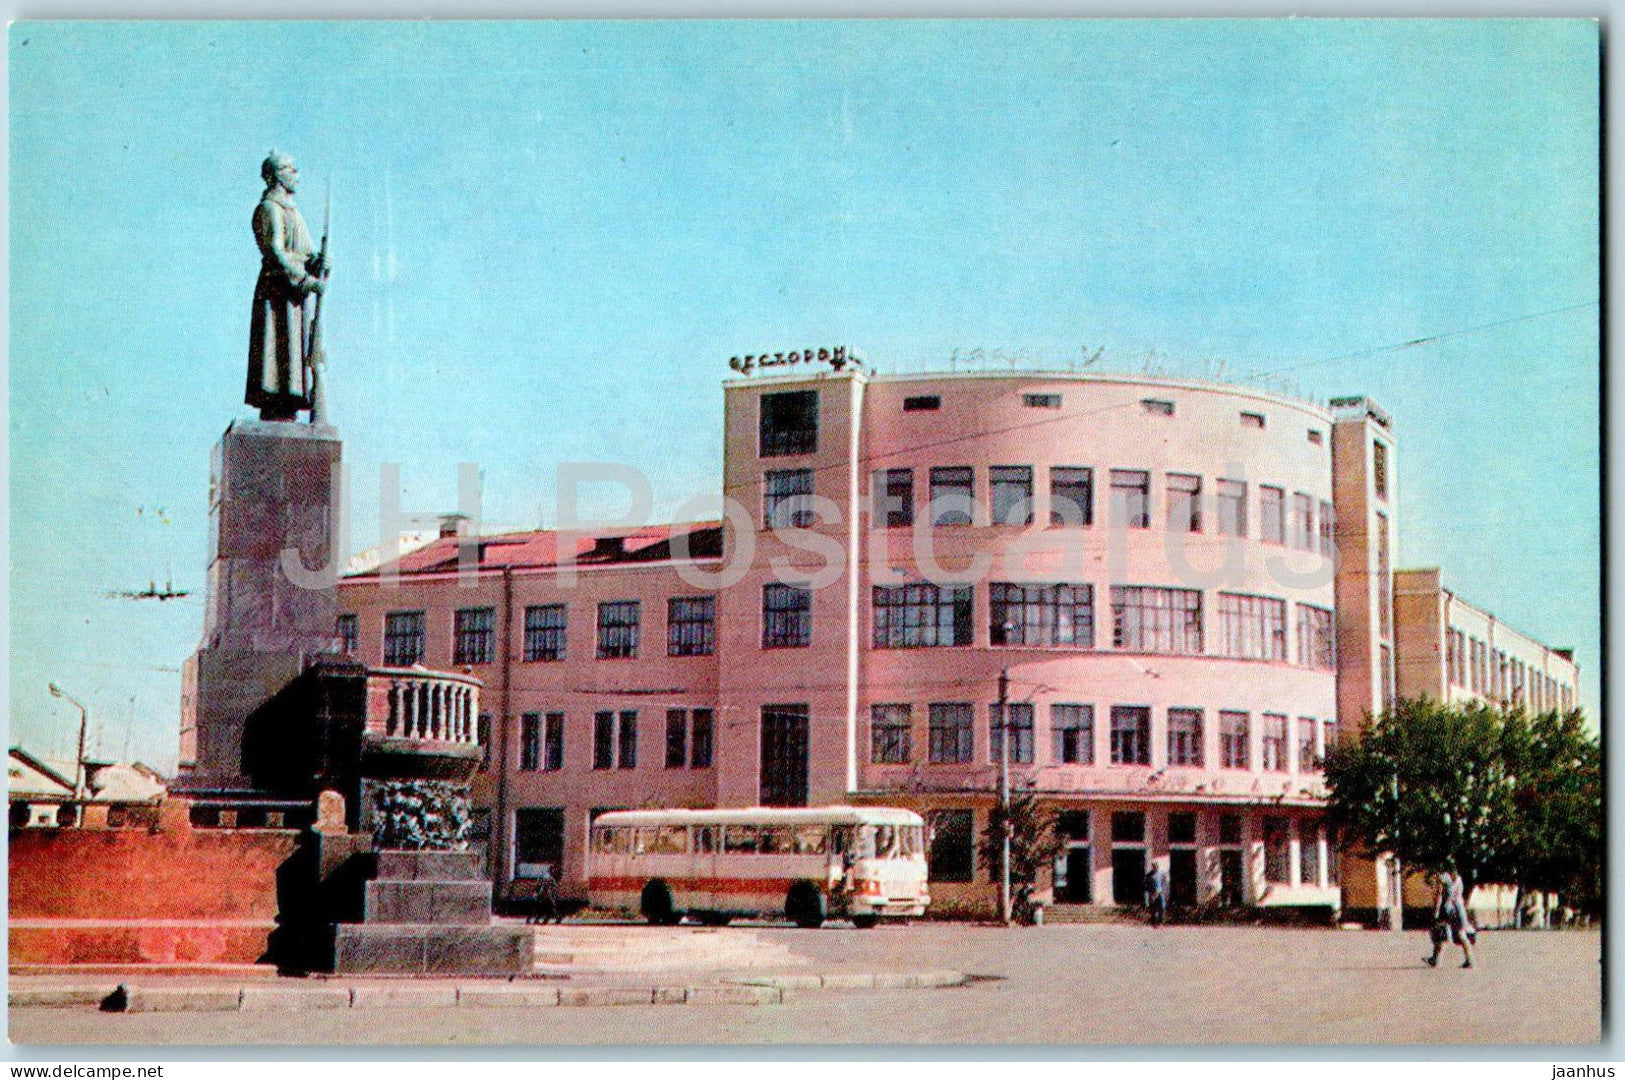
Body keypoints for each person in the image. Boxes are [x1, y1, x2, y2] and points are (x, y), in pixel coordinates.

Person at [246, 151, 328, 421]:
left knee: (294, 357)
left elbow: (306, 252)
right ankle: (275, 407)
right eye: (292, 169)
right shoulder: (270, 208)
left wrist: (318, 263)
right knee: (276, 355)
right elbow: (276, 252)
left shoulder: (294, 212)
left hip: (294, 296)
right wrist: (305, 280)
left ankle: (288, 407)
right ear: (278, 175)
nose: (297, 175)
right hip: (278, 291)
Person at [1425, 865, 1477, 969]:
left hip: (1446, 908)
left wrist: (1436, 911)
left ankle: (1435, 959)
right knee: (1461, 933)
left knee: (1441, 932)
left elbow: (1439, 895)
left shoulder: (1443, 878)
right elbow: (1459, 894)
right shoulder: (1459, 879)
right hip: (1459, 909)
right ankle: (1469, 959)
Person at [1143, 863, 1168, 927]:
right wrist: (1149, 894)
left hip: (1160, 893)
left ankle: (1160, 922)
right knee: (1153, 908)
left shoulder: (1162, 874)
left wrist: (1165, 892)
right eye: (1154, 866)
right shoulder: (1149, 875)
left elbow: (1164, 883)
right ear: (1152, 866)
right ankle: (1153, 922)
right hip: (1152, 893)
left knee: (1162, 907)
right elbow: (1146, 886)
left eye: (1156, 866)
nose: (1155, 867)